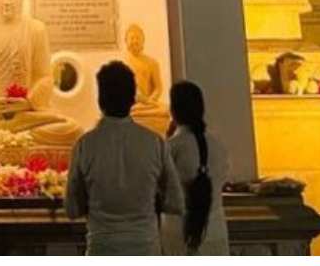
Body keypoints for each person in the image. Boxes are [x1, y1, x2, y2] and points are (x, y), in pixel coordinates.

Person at [66, 61, 180, 255]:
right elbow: (175, 202)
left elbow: (72, 209)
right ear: (133, 99)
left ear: (100, 100)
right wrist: (150, 199)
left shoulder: (85, 145)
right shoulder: (154, 143)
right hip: (145, 246)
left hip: (102, 247)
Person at [159, 81, 228, 255]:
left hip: (177, 231)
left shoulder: (171, 147)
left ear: (173, 111)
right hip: (214, 226)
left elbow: (158, 190)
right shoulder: (218, 145)